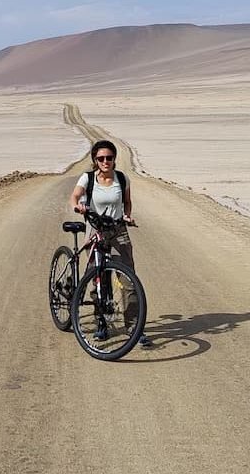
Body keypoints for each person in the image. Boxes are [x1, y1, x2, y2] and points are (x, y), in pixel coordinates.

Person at [70, 139, 151, 347]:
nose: (105, 161)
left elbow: (127, 202)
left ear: (114, 159)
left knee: (128, 280)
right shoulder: (88, 178)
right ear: (95, 160)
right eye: (101, 158)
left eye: (109, 158)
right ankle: (101, 323)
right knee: (98, 278)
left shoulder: (122, 179)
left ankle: (133, 327)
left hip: (117, 230)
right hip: (95, 230)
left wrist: (127, 215)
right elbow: (75, 196)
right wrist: (78, 206)